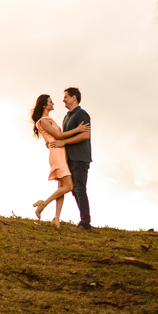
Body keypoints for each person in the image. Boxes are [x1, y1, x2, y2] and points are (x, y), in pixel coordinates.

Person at [30, 93, 89, 225]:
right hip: (57, 154)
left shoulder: (49, 120)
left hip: (61, 152)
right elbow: (58, 135)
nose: (53, 103)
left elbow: (53, 137)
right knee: (69, 186)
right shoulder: (43, 121)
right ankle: (43, 204)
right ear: (44, 105)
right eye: (50, 102)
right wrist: (78, 129)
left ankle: (57, 217)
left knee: (61, 187)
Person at [61, 87, 93, 230]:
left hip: (80, 157)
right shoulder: (67, 117)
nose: (63, 100)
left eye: (66, 97)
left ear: (74, 98)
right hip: (70, 158)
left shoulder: (82, 114)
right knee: (74, 190)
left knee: (80, 188)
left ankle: (85, 223)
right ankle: (83, 220)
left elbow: (85, 135)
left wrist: (65, 142)